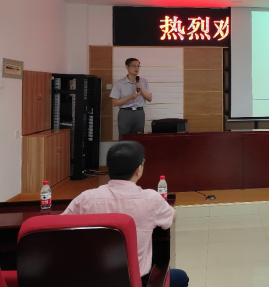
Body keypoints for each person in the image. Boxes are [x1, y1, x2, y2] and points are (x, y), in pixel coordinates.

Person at [62, 142, 189, 288]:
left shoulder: (85, 199)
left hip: (93, 280)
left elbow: (60, 228)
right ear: (138, 170)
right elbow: (172, 217)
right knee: (181, 277)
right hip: (135, 281)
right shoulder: (151, 199)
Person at [111, 58, 153, 141]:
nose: (136, 68)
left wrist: (141, 89)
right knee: (124, 138)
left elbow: (149, 98)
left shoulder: (143, 81)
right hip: (125, 113)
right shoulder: (119, 83)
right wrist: (129, 97)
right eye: (134, 66)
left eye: (138, 66)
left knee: (139, 138)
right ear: (127, 67)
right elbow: (114, 103)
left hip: (139, 112)